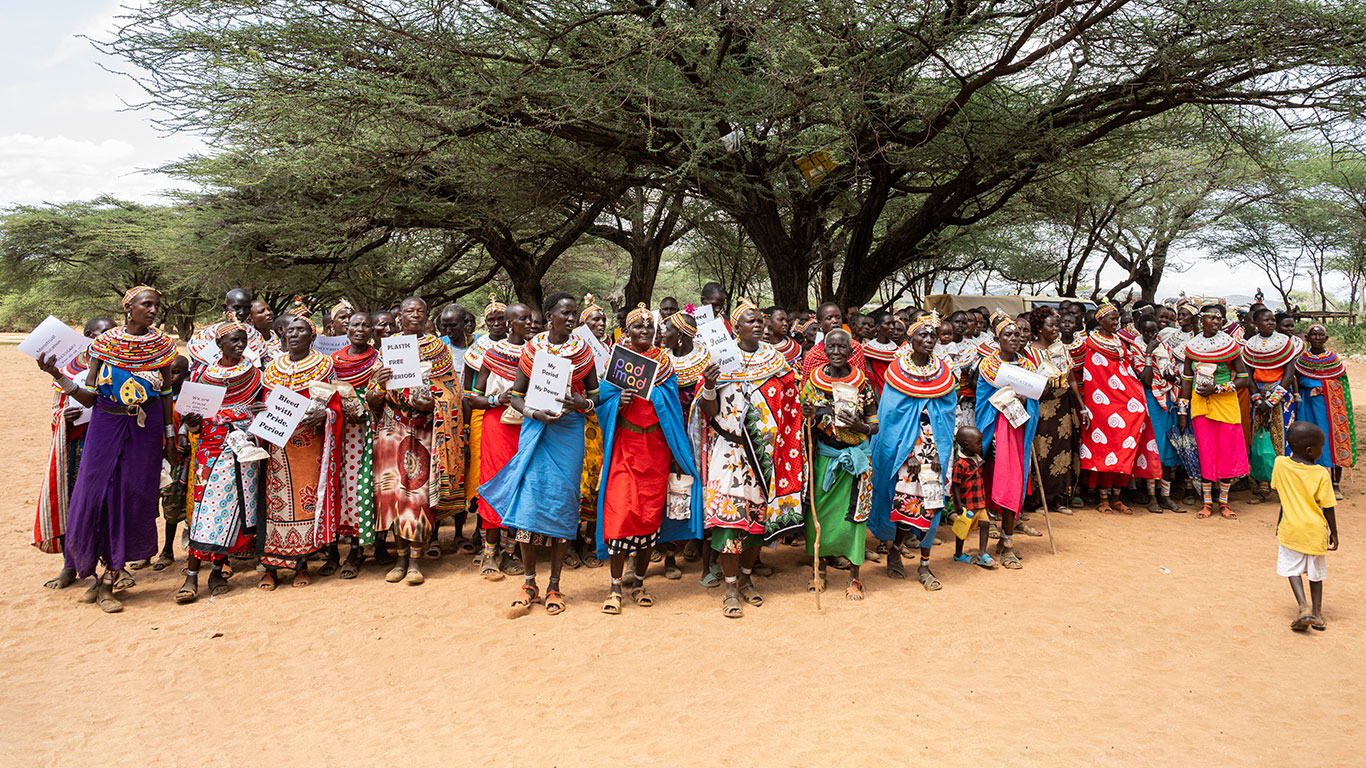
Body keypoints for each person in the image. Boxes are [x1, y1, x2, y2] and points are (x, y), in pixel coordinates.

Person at [36, 286, 179, 612]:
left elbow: (165, 395)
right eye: (147, 304)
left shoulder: (163, 346)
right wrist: (58, 375)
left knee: (131, 497)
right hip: (105, 424)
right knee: (94, 496)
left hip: (145, 429)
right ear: (129, 308)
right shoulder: (104, 345)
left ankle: (109, 580)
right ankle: (90, 568)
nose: (153, 310)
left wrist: (169, 437)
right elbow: (89, 397)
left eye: (157, 305)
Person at [481, 292, 599, 616]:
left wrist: (583, 404)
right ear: (549, 317)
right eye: (565, 313)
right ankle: (529, 583)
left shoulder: (583, 351)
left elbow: (596, 394)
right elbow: (517, 396)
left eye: (574, 313)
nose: (571, 319)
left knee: (563, 504)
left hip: (568, 432)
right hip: (536, 429)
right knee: (529, 505)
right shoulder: (533, 349)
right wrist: (534, 414)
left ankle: (555, 586)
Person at [693, 299, 803, 618]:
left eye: (760, 321)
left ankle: (746, 578)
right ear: (736, 327)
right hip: (731, 453)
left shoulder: (775, 360)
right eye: (750, 321)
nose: (758, 325)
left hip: (766, 456)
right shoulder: (720, 359)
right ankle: (729, 588)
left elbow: (789, 404)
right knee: (730, 523)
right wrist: (710, 385)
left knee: (757, 525)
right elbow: (709, 410)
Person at [594, 305, 703, 613]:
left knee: (649, 517)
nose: (644, 331)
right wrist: (618, 401)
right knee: (621, 514)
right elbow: (601, 402)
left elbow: (670, 405)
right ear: (627, 331)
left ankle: (640, 583)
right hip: (625, 448)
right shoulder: (618, 362)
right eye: (638, 326)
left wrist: (651, 395)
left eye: (649, 327)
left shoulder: (664, 364)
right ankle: (615, 588)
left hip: (655, 449)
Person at [369, 297, 465, 585]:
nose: (414, 315)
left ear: (427, 316)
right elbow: (372, 398)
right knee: (393, 494)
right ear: (400, 316)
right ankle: (399, 558)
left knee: (418, 497)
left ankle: (414, 561)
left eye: (420, 311)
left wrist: (432, 404)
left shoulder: (438, 349)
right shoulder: (388, 348)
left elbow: (451, 392)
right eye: (409, 311)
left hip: (424, 431)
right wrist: (379, 382)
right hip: (392, 429)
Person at [175, 322, 264, 604]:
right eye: (233, 340)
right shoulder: (202, 376)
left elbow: (261, 408)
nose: (239, 345)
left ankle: (217, 572)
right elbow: (192, 417)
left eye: (243, 340)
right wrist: (191, 423)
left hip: (244, 449)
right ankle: (191, 576)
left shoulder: (255, 375)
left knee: (230, 512)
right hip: (209, 449)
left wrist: (257, 413)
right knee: (203, 510)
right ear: (219, 344)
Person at [258, 316, 348, 590]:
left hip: (310, 446)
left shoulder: (324, 365)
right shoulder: (272, 367)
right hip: (277, 448)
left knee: (305, 502)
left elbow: (336, 404)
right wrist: (259, 411)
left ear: (312, 336)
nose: (294, 334)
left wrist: (325, 414)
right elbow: (264, 402)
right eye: (290, 330)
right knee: (275, 504)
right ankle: (270, 568)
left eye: (301, 330)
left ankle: (302, 564)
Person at [870, 313, 958, 588]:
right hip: (906, 455)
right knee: (905, 507)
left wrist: (939, 450)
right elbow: (891, 417)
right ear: (910, 339)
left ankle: (925, 565)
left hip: (935, 453)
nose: (929, 340)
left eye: (933, 336)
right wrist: (909, 453)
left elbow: (947, 415)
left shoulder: (943, 371)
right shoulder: (897, 370)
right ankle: (895, 551)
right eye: (923, 335)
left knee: (932, 507)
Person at [35, 315, 115, 590]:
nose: (107, 338)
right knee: (74, 505)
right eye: (101, 333)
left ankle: (112, 568)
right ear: (87, 336)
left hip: (109, 444)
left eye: (112, 333)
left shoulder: (120, 365)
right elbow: (57, 408)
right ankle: (70, 565)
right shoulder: (71, 368)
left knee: (108, 505)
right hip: (78, 447)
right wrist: (64, 418)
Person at [800, 329, 878, 600]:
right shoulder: (813, 382)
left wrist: (861, 427)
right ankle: (819, 569)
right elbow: (804, 420)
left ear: (850, 351)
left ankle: (854, 576)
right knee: (819, 514)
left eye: (842, 347)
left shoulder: (862, 383)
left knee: (856, 515)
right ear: (823, 350)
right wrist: (808, 415)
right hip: (825, 457)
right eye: (831, 347)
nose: (836, 352)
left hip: (856, 459)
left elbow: (875, 424)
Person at [1078, 301, 1160, 515]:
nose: (1116, 322)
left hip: (1121, 401)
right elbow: (1086, 372)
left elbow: (1127, 371)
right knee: (1103, 448)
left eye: (1117, 319)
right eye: (1112, 319)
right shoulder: (1089, 343)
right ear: (1100, 321)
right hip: (1099, 404)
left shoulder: (1119, 342)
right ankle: (1103, 499)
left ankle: (1116, 497)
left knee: (1123, 446)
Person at [975, 310, 1041, 570]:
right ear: (997, 338)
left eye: (1017, 334)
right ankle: (992, 543)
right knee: (994, 485)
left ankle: (1008, 543)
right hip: (993, 434)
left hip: (1017, 434)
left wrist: (1026, 400)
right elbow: (982, 402)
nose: (1014, 338)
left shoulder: (1028, 368)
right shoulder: (988, 367)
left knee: (1012, 484)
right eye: (1008, 334)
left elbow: (1036, 401)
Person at [470, 302, 531, 579]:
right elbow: (474, 398)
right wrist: (497, 399)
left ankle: (510, 553)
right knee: (495, 485)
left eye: (529, 318)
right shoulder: (493, 353)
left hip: (527, 425)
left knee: (521, 487)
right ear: (509, 324)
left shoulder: (536, 353)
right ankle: (489, 553)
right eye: (522, 319)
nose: (528, 323)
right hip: (498, 426)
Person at [1178, 304, 1250, 519]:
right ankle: (1207, 503)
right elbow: (1187, 381)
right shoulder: (1192, 347)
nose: (1216, 322)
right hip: (1200, 405)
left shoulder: (1229, 345)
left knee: (1227, 453)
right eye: (1211, 318)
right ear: (1201, 321)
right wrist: (1182, 411)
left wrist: (1218, 388)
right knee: (1206, 453)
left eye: (1219, 318)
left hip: (1226, 404)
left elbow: (1244, 378)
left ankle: (1224, 504)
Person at [328, 311, 382, 578]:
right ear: (346, 329)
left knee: (360, 487)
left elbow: (381, 397)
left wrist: (366, 408)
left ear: (371, 331)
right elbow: (324, 394)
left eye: (365, 325)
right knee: (334, 486)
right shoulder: (333, 361)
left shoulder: (378, 360)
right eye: (355, 325)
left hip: (365, 431)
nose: (360, 329)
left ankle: (355, 551)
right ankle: (331, 552)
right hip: (337, 430)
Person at [661, 310, 712, 577]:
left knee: (697, 491)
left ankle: (698, 544)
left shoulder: (707, 360)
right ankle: (669, 555)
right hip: (667, 438)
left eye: (668, 329)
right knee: (669, 491)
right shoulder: (661, 361)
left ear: (680, 336)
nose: (662, 333)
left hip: (699, 439)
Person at [1273, 422, 1338, 631]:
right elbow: (1328, 506)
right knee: (1316, 574)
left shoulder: (1280, 464)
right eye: (1321, 447)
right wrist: (1334, 532)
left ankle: (1303, 607)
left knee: (1292, 569)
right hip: (1315, 531)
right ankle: (1317, 615)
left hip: (1290, 528)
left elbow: (1277, 488)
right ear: (1310, 451)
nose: (1322, 451)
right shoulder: (1321, 474)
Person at [1024, 306, 1084, 515]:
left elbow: (1071, 378)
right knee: (1042, 451)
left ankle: (1060, 499)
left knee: (1063, 450)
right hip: (1041, 405)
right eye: (1051, 326)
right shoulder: (1029, 352)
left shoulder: (1062, 349)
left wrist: (1081, 405)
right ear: (1040, 328)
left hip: (1063, 404)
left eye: (1056, 325)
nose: (1056, 329)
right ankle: (1040, 501)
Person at [463, 294, 510, 551]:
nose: (496, 323)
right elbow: (469, 393)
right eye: (491, 320)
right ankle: (483, 527)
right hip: (483, 415)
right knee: (482, 471)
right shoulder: (477, 350)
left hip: (515, 415)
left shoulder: (520, 346)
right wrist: (466, 426)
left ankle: (507, 533)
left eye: (500, 318)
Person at [1242, 307, 1302, 501]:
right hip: (1258, 397)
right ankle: (1263, 486)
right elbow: (1248, 375)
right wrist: (1258, 399)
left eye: (1272, 321)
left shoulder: (1285, 343)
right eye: (1266, 320)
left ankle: (1285, 487)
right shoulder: (1250, 346)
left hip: (1281, 398)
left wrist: (1272, 401)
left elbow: (1289, 374)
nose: (1270, 323)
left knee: (1284, 440)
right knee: (1260, 440)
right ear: (1256, 324)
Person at [1293, 324, 1356, 496]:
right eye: (1314, 335)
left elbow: (1340, 384)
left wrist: (1324, 388)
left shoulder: (1333, 360)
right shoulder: (1301, 360)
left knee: (1330, 439)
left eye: (1321, 335)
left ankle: (1335, 484)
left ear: (1326, 338)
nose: (1317, 338)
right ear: (1307, 338)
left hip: (1327, 405)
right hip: (1306, 404)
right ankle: (1310, 483)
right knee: (1306, 439)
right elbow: (1295, 379)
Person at [1137, 315, 1186, 512]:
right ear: (1140, 330)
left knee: (1167, 450)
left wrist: (1171, 377)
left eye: (1153, 331)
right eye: (1146, 331)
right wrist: (1149, 354)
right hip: (1150, 402)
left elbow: (1176, 376)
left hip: (1167, 402)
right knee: (1152, 448)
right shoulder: (1136, 349)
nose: (1150, 335)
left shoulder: (1166, 348)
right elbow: (1146, 380)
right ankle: (1152, 497)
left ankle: (1165, 495)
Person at [147, 354, 192, 571]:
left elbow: (190, 426)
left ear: (186, 375)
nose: (169, 377)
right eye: (165, 373)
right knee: (147, 506)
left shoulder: (188, 400)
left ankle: (167, 550)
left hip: (175, 460)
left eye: (175, 373)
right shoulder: (152, 396)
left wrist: (184, 442)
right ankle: (145, 551)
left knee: (171, 507)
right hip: (151, 457)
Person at [948, 426, 996, 567]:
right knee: (962, 530)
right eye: (978, 443)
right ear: (966, 445)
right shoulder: (960, 464)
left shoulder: (976, 459)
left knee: (985, 524)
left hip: (979, 502)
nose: (981, 445)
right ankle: (958, 554)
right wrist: (958, 504)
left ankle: (982, 553)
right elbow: (955, 485)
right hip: (966, 505)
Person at [186, 289, 266, 369]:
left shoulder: (255, 337)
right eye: (236, 307)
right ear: (225, 307)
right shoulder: (207, 335)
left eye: (247, 308)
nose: (242, 312)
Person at [802, 301, 869, 381]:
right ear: (819, 324)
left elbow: (861, 379)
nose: (835, 321)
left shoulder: (854, 347)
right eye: (829, 318)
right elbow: (808, 386)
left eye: (838, 317)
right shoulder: (813, 356)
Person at [862, 310, 898, 394]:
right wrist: (876, 395)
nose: (892, 327)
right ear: (878, 327)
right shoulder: (867, 350)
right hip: (876, 393)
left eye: (893, 324)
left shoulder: (898, 351)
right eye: (888, 324)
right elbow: (870, 376)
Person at [250, 299, 282, 364]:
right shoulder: (250, 343)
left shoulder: (279, 335)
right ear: (250, 320)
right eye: (261, 312)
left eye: (269, 309)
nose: (268, 313)